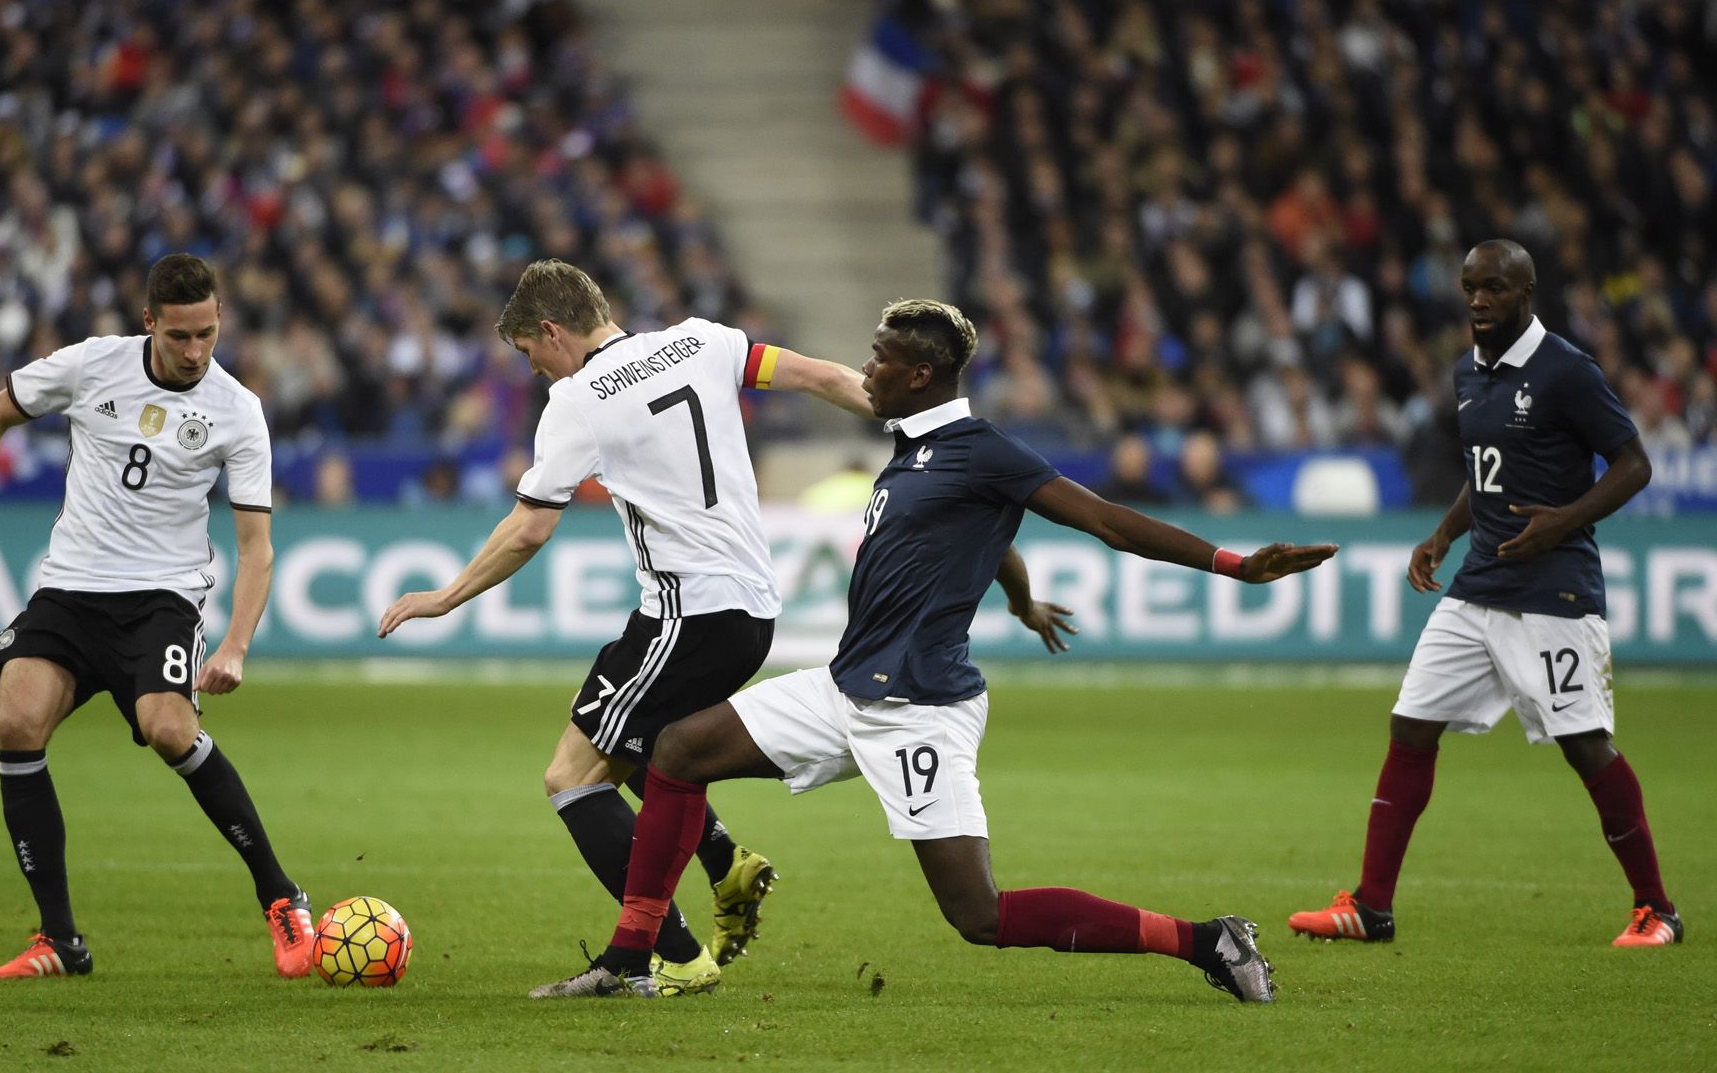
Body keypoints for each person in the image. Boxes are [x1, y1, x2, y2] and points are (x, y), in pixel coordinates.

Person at [531, 298, 1337, 1001]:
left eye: (881, 356)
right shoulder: (913, 449)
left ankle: (1208, 939)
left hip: (919, 707)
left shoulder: (982, 449)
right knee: (676, 749)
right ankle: (635, 956)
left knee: (979, 916)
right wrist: (1020, 601)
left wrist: (1232, 563)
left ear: (919, 373)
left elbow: (1104, 519)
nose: (867, 368)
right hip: (847, 690)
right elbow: (989, 538)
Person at [377, 259, 874, 995]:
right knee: (639, 742)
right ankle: (721, 865)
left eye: (530, 353)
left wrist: (448, 596)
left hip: (690, 612)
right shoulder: (703, 341)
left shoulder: (578, 398)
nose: (538, 370)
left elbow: (528, 530)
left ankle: (665, 955)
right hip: (747, 608)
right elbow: (825, 379)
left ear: (551, 330)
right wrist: (915, 416)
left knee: (571, 778)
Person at [0, 254, 316, 979]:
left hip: (161, 596)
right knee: (14, 722)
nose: (195, 353)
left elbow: (257, 549)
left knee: (168, 727)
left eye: (208, 335)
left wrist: (235, 646)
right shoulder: (91, 365)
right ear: (149, 322)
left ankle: (281, 895)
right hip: (70, 591)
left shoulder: (237, 409)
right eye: (181, 337)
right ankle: (60, 941)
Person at [1287, 240, 1679, 947]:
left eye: (1492, 288)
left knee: (1586, 745)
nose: (1476, 300)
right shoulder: (1469, 371)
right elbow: (1487, 473)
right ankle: (1371, 907)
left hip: (1554, 593)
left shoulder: (1566, 370)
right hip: (1478, 589)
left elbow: (1634, 463)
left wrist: (1564, 519)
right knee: (1410, 725)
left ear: (1525, 293)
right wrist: (1442, 534)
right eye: (1469, 287)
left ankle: (1657, 908)